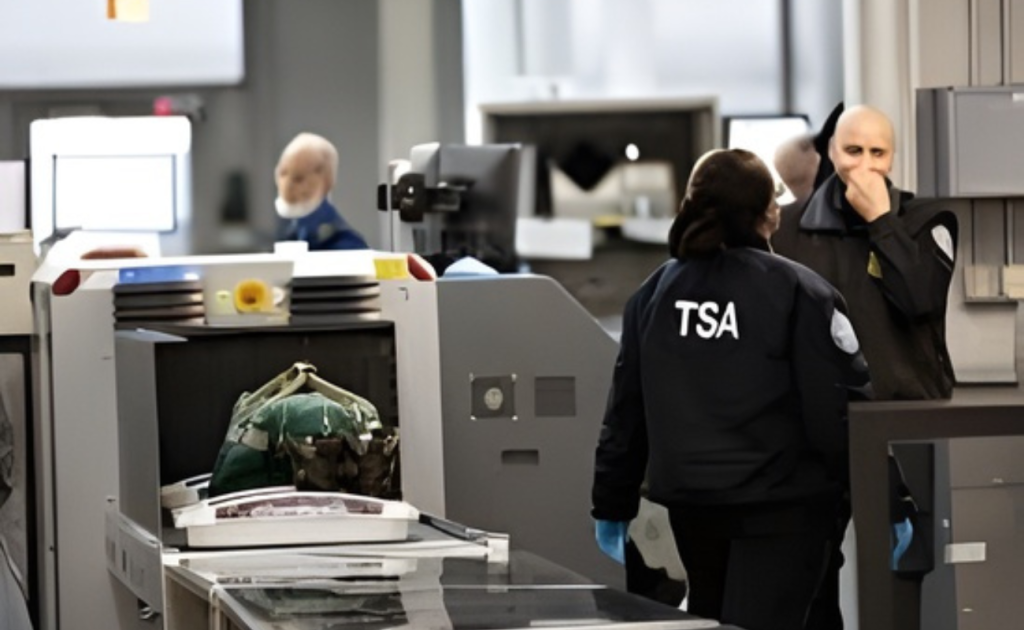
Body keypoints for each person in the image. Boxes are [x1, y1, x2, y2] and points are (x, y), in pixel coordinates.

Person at [591, 148, 869, 630]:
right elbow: (839, 410)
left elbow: (625, 414)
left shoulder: (652, 296)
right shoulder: (799, 291)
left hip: (694, 509)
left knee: (713, 614)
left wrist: (612, 502)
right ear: (768, 213)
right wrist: (885, 496)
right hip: (784, 509)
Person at [772, 104, 959, 630]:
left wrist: (882, 223)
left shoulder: (928, 221)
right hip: (817, 431)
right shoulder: (786, 230)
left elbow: (920, 301)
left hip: (904, 423)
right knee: (810, 579)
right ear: (831, 154)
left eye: (878, 152)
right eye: (853, 151)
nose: (865, 165)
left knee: (908, 581)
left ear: (892, 157)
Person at [275, 132, 369, 250]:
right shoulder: (289, 234)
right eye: (283, 173)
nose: (288, 186)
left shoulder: (347, 245)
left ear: (327, 180)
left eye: (299, 178)